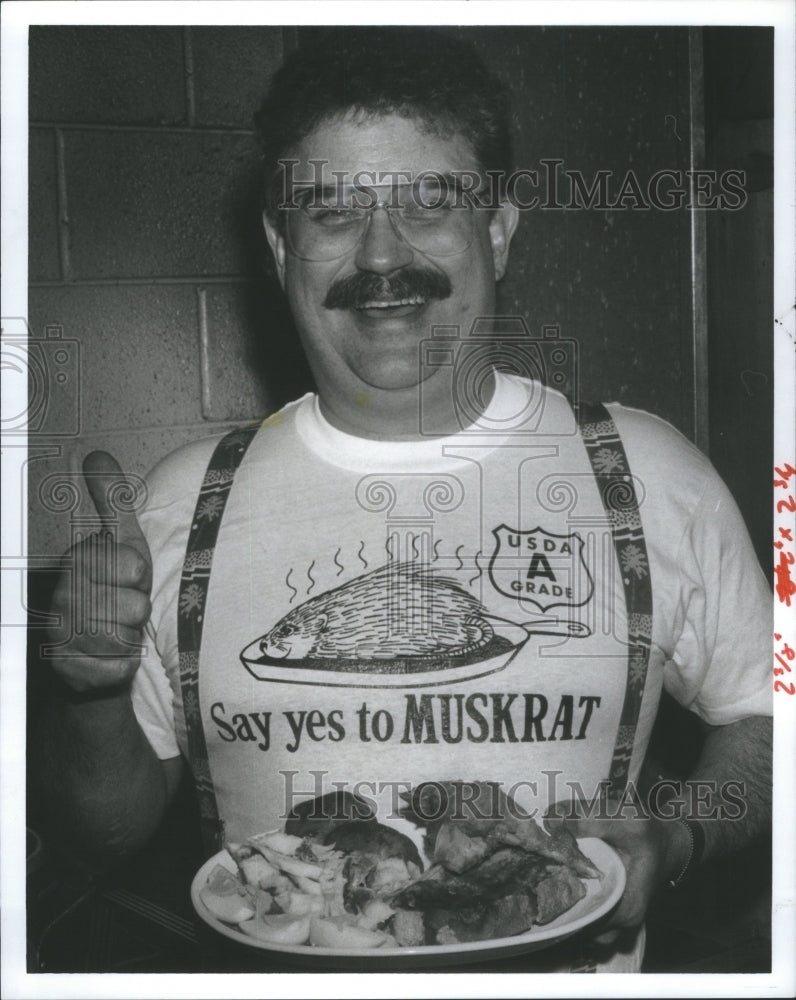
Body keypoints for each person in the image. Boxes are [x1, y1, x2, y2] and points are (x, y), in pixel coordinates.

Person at [32, 28, 772, 973]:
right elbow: (102, 837)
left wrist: (679, 836)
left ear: (498, 230)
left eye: (429, 204)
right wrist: (91, 696)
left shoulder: (648, 471)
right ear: (279, 244)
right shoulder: (186, 500)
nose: (381, 256)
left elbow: (770, 718)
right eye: (332, 213)